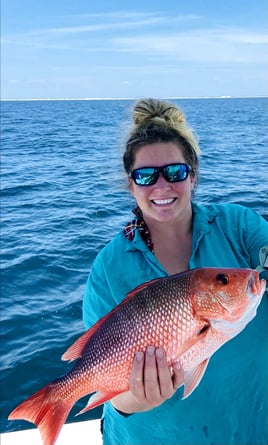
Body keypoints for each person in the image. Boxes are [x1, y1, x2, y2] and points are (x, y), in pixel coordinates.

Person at [83, 98, 268, 445]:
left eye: (175, 172)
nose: (162, 186)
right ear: (130, 184)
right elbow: (112, 394)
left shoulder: (239, 226)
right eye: (145, 176)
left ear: (193, 174)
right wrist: (139, 397)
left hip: (254, 426)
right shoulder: (108, 268)